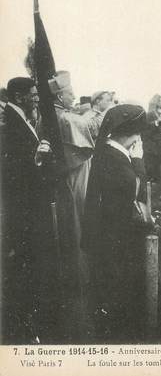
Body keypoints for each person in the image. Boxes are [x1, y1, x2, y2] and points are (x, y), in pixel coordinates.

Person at [82, 104, 151, 343]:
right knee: (116, 283)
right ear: (131, 134)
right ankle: (119, 331)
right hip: (114, 233)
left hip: (110, 229)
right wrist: (139, 161)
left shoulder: (111, 151)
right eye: (138, 134)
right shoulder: (114, 155)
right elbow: (135, 189)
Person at [0, 77, 56, 343]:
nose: (37, 99)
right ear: (20, 96)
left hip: (27, 204)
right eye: (33, 95)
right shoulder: (8, 121)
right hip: (23, 207)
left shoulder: (18, 117)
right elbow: (11, 169)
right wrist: (37, 159)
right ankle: (23, 325)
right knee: (23, 264)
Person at [48, 71, 95, 245]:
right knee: (77, 221)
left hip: (61, 180)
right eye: (70, 93)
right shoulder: (69, 119)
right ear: (59, 96)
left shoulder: (48, 116)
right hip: (75, 179)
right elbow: (84, 153)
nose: (74, 96)